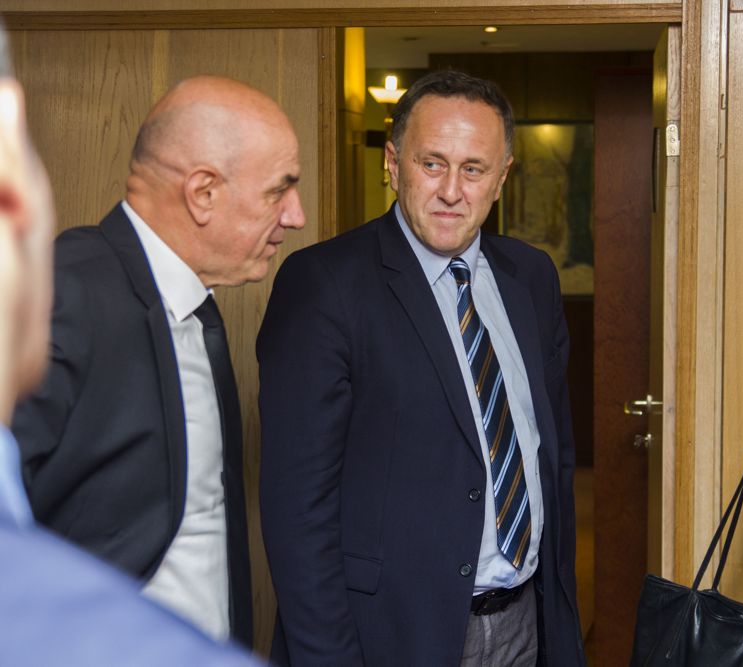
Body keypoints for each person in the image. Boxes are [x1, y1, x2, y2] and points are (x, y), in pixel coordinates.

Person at [257, 70, 585, 666]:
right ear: (393, 163)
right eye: (432, 163)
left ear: (502, 177)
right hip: (391, 636)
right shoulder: (324, 285)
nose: (451, 191)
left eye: (474, 169)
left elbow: (551, 457)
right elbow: (297, 511)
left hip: (524, 624)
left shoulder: (532, 277)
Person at [11, 74, 306, 646]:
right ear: (203, 193)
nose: (295, 216)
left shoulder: (197, 307)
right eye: (278, 191)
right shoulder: (59, 296)